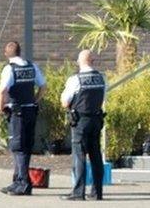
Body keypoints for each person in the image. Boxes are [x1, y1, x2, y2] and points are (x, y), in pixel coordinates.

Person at [0, 41, 46, 196]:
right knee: (25, 147)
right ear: (19, 51)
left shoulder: (9, 69)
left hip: (17, 113)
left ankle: (24, 184)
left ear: (7, 53)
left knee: (18, 147)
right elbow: (43, 86)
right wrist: (35, 100)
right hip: (31, 110)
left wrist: (1, 107)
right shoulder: (32, 66)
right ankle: (17, 181)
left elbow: (3, 90)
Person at [60, 49, 107, 201]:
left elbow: (65, 102)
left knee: (79, 156)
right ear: (92, 61)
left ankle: (78, 192)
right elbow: (103, 97)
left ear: (80, 62)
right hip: (96, 120)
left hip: (81, 121)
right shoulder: (101, 78)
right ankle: (97, 192)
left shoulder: (76, 79)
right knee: (96, 156)